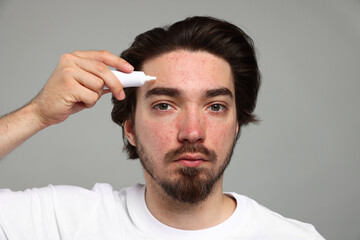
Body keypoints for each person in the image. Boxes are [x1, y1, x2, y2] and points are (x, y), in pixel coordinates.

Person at [0, 16, 325, 239]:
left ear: (236, 124)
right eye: (164, 105)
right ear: (129, 128)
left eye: (215, 106)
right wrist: (37, 113)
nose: (192, 131)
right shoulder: (63, 224)